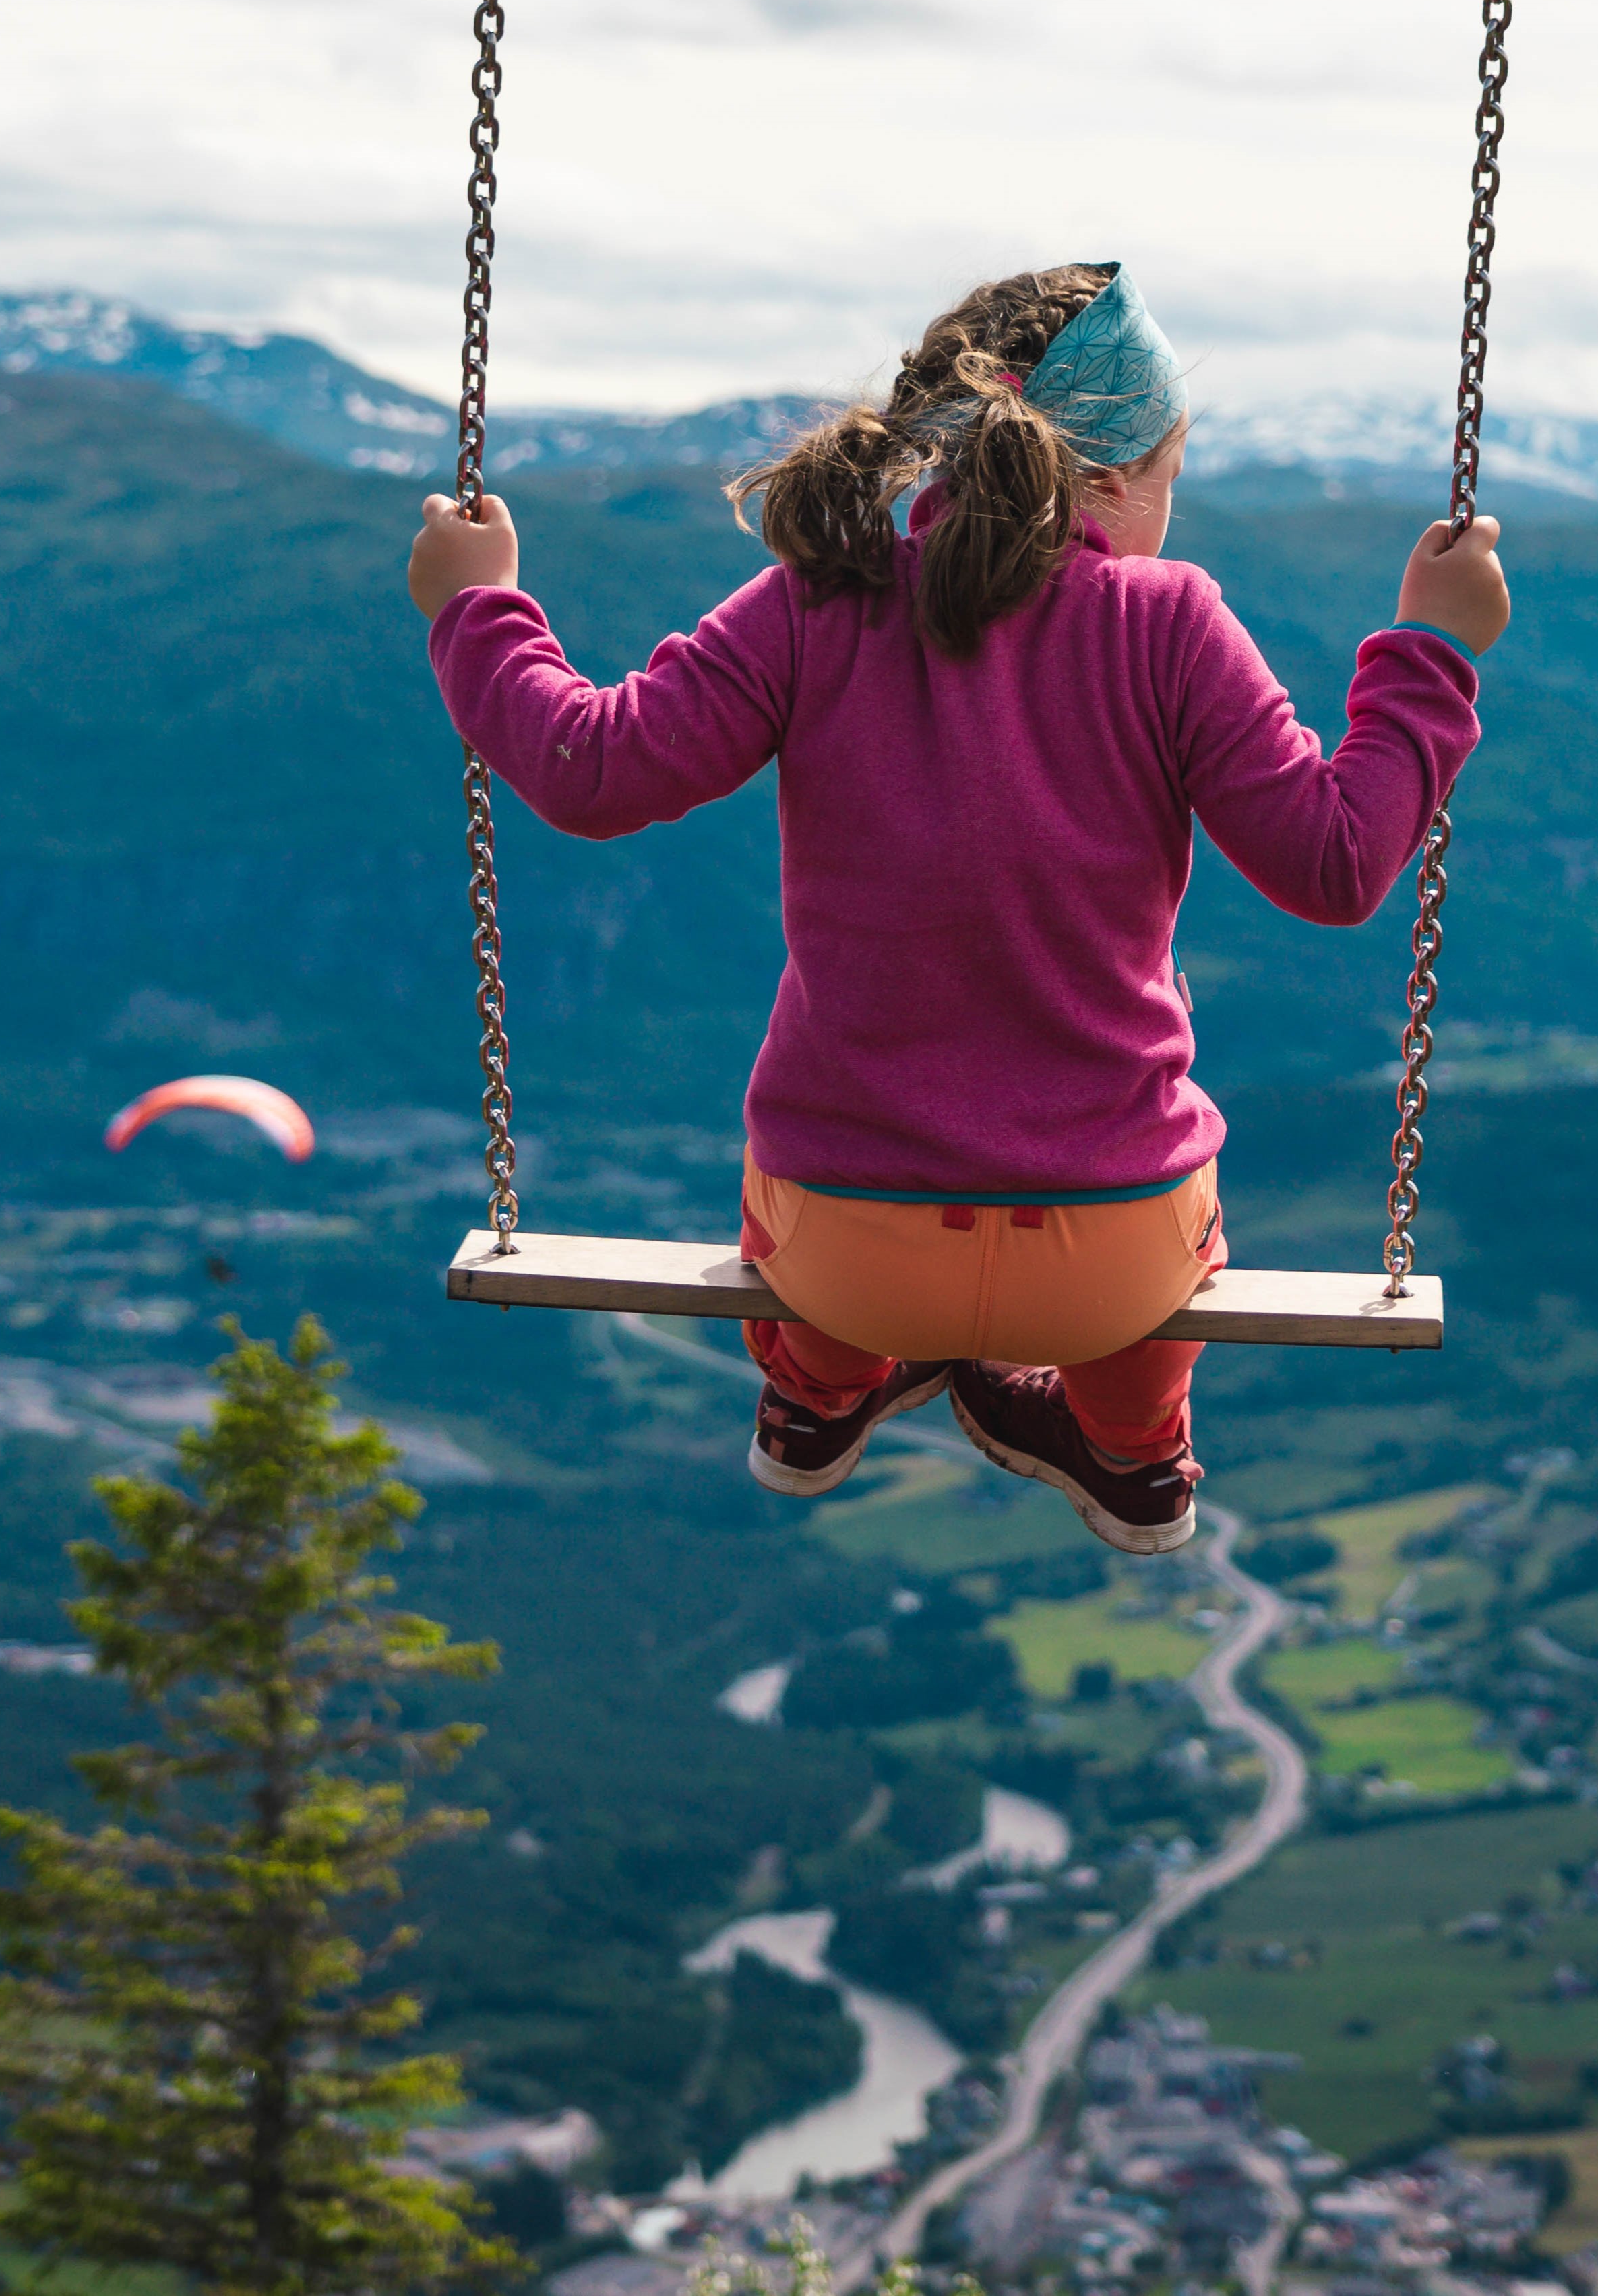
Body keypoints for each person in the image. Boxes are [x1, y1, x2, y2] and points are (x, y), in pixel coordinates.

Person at [408, 263, 1504, 1553]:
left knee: (801, 1176)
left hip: (844, 1247)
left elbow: (590, 770)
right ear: (1118, 473)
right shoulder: (1169, 620)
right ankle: (1136, 1450)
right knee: (1175, 1184)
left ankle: (816, 1397)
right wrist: (1433, 651)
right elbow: (1334, 863)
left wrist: (476, 608)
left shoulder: (816, 601)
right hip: (1110, 1266)